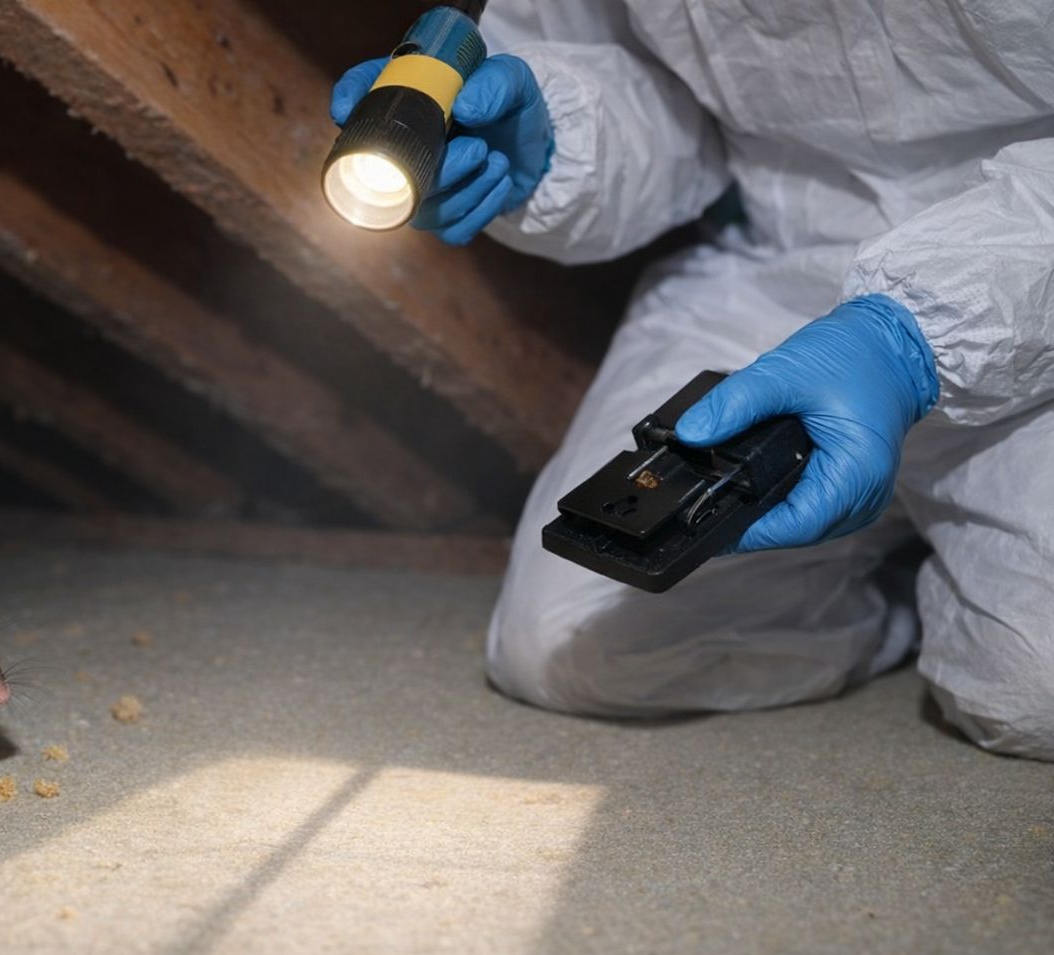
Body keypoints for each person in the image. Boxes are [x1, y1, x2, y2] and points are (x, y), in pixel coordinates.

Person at [332, 1, 1054, 760]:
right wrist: (553, 135)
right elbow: (663, 98)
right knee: (566, 651)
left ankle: (950, 554)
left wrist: (911, 336)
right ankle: (895, 583)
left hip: (1025, 274)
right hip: (782, 266)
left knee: (1033, 692)